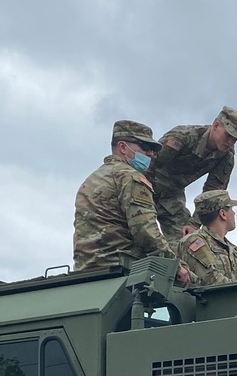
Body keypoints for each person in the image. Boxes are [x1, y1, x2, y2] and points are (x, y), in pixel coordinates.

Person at [73, 120, 189, 283]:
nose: (150, 154)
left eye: (153, 150)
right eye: (145, 147)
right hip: (123, 270)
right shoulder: (130, 177)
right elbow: (146, 232)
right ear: (122, 147)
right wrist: (177, 266)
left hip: (86, 272)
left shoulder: (91, 180)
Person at [147, 106, 237, 242]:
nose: (230, 142)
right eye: (228, 135)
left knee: (187, 241)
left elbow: (212, 195)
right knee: (140, 231)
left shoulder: (226, 156)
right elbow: (150, 164)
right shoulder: (184, 137)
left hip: (171, 198)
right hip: (146, 186)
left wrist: (194, 223)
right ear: (216, 125)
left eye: (234, 139)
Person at [177, 190, 237, 286]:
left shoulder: (234, 251)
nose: (234, 214)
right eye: (231, 209)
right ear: (223, 214)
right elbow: (212, 280)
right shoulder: (195, 241)